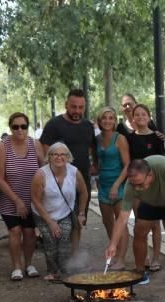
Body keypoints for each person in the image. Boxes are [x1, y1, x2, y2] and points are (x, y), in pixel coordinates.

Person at [105, 156, 165, 284]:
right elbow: (122, 218)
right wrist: (113, 244)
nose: (137, 188)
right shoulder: (131, 186)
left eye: (140, 184)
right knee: (139, 230)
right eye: (133, 184)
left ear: (150, 175)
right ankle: (140, 273)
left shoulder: (164, 166)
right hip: (151, 200)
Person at [40, 89, 97, 251]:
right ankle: (58, 258)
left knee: (78, 221)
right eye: (74, 107)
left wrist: (94, 165)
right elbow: (44, 151)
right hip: (58, 180)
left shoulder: (88, 126)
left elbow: (93, 146)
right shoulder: (54, 125)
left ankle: (73, 258)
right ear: (66, 105)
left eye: (81, 107)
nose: (77, 111)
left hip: (81, 180)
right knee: (58, 221)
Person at [0, 112, 44, 281]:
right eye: (15, 127)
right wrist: (16, 200)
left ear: (28, 127)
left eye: (23, 126)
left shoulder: (35, 145)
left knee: (29, 232)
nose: (19, 130)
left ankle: (29, 264)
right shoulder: (2, 146)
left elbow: (43, 170)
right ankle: (16, 266)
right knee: (15, 231)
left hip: (32, 199)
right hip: (9, 198)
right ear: (10, 128)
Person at [30, 143, 88, 281]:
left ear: (68, 157)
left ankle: (65, 269)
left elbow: (84, 192)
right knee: (50, 242)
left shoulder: (74, 172)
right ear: (49, 157)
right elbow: (35, 200)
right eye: (55, 154)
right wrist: (50, 222)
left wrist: (81, 213)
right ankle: (53, 271)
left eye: (63, 154)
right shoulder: (41, 174)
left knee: (64, 240)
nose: (59, 157)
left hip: (64, 212)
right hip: (43, 213)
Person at [128, 103, 165, 272]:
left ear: (148, 117)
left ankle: (156, 257)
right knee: (139, 221)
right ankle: (143, 256)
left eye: (143, 114)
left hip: (154, 185)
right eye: (137, 115)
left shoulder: (157, 138)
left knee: (155, 224)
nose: (140, 117)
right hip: (136, 185)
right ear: (133, 118)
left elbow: (162, 161)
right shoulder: (129, 138)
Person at [95, 107, 130, 270]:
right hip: (102, 185)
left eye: (110, 118)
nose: (107, 121)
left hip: (119, 184)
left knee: (120, 223)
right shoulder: (97, 139)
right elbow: (96, 162)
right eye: (104, 118)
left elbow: (127, 165)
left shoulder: (120, 138)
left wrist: (117, 184)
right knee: (108, 222)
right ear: (100, 121)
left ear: (115, 121)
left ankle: (122, 259)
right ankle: (113, 253)